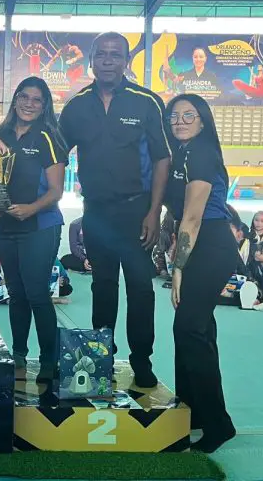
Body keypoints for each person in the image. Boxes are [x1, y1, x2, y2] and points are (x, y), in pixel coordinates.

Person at [58, 32, 171, 388]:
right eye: (102, 54)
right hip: (96, 214)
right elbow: (55, 154)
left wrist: (154, 212)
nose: (108, 60)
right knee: (103, 288)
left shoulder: (146, 102)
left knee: (141, 288)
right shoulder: (76, 106)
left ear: (126, 61)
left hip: (137, 213)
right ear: (92, 60)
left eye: (115, 55)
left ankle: (142, 360)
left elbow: (162, 159)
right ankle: (99, 358)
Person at [164, 93, 236, 453]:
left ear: (203, 121)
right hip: (199, 245)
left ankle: (218, 423)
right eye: (174, 115)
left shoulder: (203, 152)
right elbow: (176, 211)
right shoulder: (181, 153)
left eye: (188, 115)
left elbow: (192, 216)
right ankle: (192, 412)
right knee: (197, 329)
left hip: (211, 246)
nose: (179, 120)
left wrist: (177, 270)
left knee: (189, 327)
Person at [0, 76, 69, 382]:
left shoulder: (48, 136)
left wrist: (30, 210)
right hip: (6, 226)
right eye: (24, 97)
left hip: (40, 224)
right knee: (16, 293)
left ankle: (49, 359)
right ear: (15, 99)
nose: (29, 104)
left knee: (37, 293)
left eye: (37, 100)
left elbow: (56, 191)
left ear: (44, 105)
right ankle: (19, 354)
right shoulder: (1, 134)